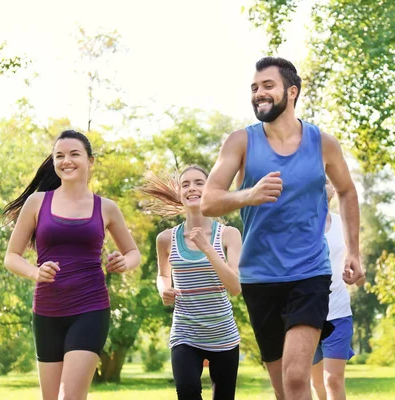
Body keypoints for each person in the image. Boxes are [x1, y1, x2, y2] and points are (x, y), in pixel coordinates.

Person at [201, 56, 364, 400]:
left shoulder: (322, 143)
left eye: (267, 86)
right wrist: (249, 194)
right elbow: (208, 201)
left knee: (295, 379)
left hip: (309, 273)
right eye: (254, 88)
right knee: (282, 389)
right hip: (260, 278)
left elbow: (348, 191)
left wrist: (353, 251)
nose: (259, 93)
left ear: (292, 92)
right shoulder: (240, 142)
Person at [2, 130, 141, 400]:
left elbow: (133, 252)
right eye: (59, 155)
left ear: (90, 161)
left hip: (90, 309)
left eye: (74, 154)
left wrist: (124, 263)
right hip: (46, 311)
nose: (66, 161)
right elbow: (12, 256)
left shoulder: (106, 207)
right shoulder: (37, 202)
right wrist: (35, 272)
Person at [139, 165, 242, 400]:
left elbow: (235, 287)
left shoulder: (229, 235)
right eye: (185, 184)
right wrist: (164, 289)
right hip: (185, 331)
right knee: (187, 391)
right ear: (179, 193)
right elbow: (163, 274)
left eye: (199, 183)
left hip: (222, 334)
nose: (192, 188)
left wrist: (207, 248)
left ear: (210, 189)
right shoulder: (165, 239)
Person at [311, 180, 362, 400]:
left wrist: (358, 276)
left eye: (330, 181)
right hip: (307, 312)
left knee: (332, 379)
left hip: (338, 311)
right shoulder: (299, 226)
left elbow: (357, 263)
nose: (326, 184)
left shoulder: (345, 225)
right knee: (315, 382)